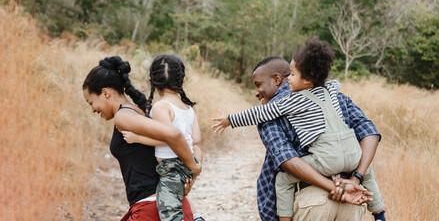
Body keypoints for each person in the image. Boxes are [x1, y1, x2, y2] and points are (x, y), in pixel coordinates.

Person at [212, 52, 384, 220]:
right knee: (367, 173)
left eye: (258, 85)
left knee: (282, 180)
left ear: (277, 79)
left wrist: (229, 120)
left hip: (311, 202)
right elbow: (370, 131)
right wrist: (355, 178)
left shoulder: (273, 110)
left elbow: (287, 161)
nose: (257, 92)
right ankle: (380, 214)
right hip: (351, 199)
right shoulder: (334, 95)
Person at [82, 56, 202, 221]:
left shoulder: (123, 116)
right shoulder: (140, 110)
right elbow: (191, 143)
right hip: (167, 203)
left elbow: (174, 135)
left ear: (105, 93)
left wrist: (194, 168)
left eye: (91, 103)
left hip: (152, 209)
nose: (92, 109)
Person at [121, 54, 203, 221]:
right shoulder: (187, 107)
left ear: (153, 81)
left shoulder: (161, 107)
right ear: (182, 79)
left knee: (169, 211)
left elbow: (167, 138)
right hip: (186, 162)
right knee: (178, 201)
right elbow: (195, 139)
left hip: (171, 166)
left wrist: (137, 138)